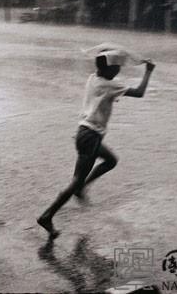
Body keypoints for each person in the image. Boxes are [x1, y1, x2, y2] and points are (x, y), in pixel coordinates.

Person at [37, 48, 155, 239]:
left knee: (110, 160)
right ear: (107, 70)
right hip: (90, 136)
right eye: (115, 67)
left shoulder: (93, 78)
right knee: (76, 181)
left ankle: (82, 188)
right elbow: (140, 92)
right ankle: (47, 215)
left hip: (85, 134)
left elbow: (103, 66)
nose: (118, 70)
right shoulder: (111, 85)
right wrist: (148, 71)